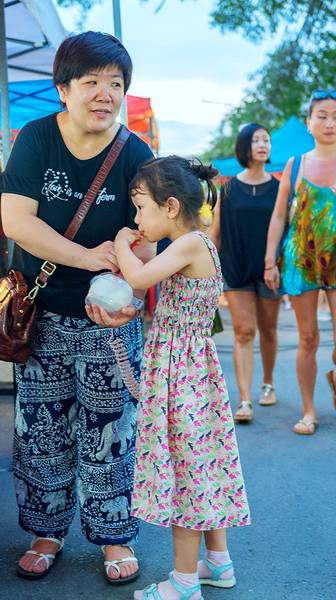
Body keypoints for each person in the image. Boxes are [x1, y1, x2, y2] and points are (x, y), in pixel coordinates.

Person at [0, 31, 154, 582]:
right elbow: (16, 221)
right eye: (92, 82)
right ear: (63, 88)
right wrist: (87, 258)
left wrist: (135, 295)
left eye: (116, 83)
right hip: (41, 314)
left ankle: (115, 535)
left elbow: (148, 238)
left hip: (108, 322)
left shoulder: (135, 153)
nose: (105, 94)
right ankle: (47, 531)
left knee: (112, 429)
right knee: (41, 432)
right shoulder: (37, 138)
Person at [114, 156, 251, 600]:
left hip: (181, 374)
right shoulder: (196, 242)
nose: (137, 219)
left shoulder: (189, 243)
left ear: (170, 206)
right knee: (203, 462)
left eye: (141, 208)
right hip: (191, 370)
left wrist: (120, 242)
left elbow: (137, 274)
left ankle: (185, 582)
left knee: (186, 471)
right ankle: (218, 562)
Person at [264, 89, 336, 435]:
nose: (330, 123)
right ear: (309, 122)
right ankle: (308, 410)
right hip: (301, 258)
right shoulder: (295, 164)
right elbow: (279, 216)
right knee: (307, 339)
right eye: (322, 116)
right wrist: (269, 261)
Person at [210, 123, 281, 423]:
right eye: (256, 140)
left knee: (268, 329)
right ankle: (245, 400)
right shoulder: (227, 189)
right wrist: (208, 270)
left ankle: (268, 383)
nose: (263, 145)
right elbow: (216, 233)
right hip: (235, 267)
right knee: (243, 331)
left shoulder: (279, 188)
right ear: (244, 146)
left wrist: (277, 263)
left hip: (269, 269)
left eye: (266, 140)